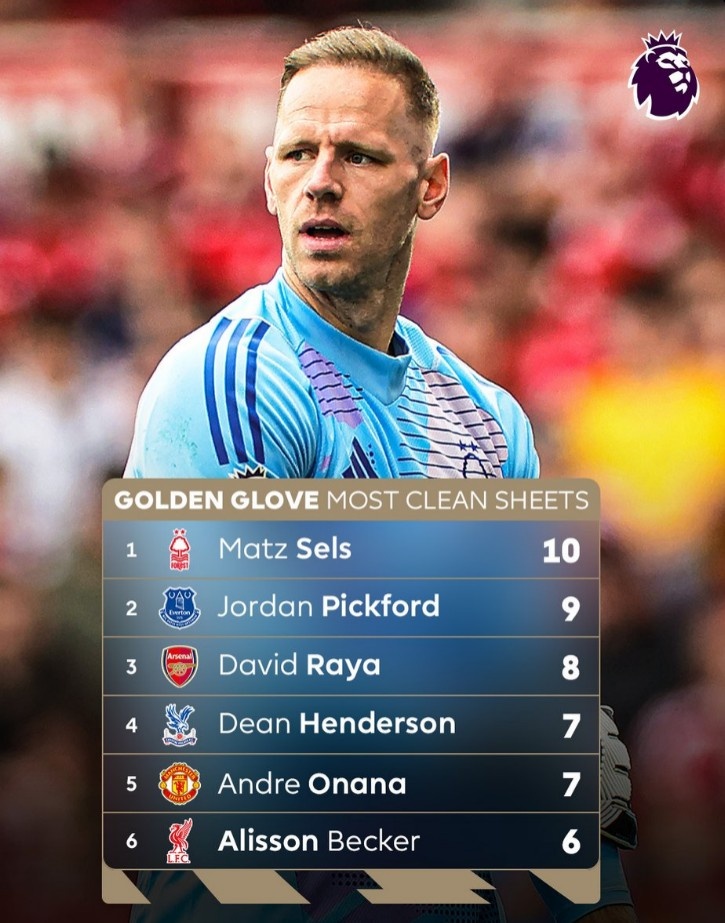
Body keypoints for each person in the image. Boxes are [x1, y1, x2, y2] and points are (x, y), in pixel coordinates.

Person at [125, 25, 637, 922]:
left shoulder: (488, 422)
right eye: (297, 152)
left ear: (429, 185)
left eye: (358, 155)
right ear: (268, 180)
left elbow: (554, 732)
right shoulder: (231, 378)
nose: (321, 180)